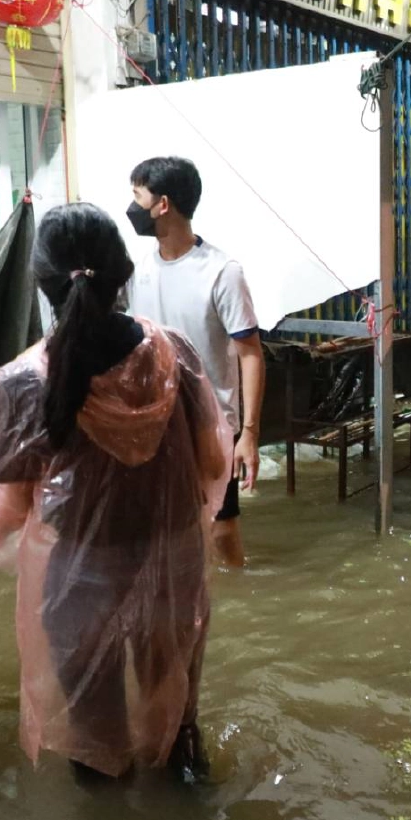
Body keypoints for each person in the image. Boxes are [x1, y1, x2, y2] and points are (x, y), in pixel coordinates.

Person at [0, 203, 230, 780]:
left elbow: (2, 519)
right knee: (178, 719)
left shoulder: (20, 382)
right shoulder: (175, 355)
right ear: (124, 276)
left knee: (95, 742)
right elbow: (214, 462)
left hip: (80, 581)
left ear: (42, 285)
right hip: (173, 564)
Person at [125, 157, 263, 569]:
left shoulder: (222, 271)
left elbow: (251, 354)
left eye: (137, 195)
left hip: (210, 426)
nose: (131, 206)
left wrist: (249, 434)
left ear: (162, 204)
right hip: (154, 423)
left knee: (221, 532)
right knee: (163, 533)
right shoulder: (138, 270)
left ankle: (238, 612)